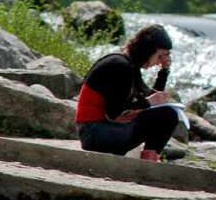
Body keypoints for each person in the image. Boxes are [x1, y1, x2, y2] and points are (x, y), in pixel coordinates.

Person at [75, 24, 179, 161]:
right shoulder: (120, 65)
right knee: (167, 115)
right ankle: (148, 163)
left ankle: (149, 160)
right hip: (95, 132)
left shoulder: (129, 65)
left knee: (164, 113)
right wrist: (149, 102)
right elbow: (115, 113)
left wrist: (164, 72)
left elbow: (149, 99)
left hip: (97, 130)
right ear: (149, 50)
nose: (159, 62)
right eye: (159, 57)